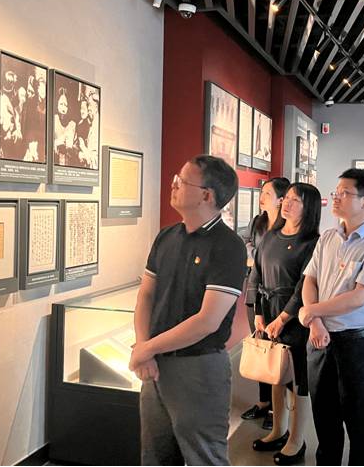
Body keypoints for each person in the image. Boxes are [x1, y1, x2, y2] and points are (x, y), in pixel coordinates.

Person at [128, 155, 247, 465]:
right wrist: (144, 347)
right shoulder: (166, 236)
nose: (174, 185)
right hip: (156, 364)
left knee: (203, 456)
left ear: (206, 195)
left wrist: (146, 349)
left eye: (182, 181)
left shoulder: (228, 246)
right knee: (155, 455)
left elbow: (207, 321)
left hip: (198, 369)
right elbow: (146, 295)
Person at [298, 168, 364, 465]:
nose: (336, 198)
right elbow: (310, 280)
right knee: (324, 418)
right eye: (336, 192)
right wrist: (315, 321)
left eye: (344, 193)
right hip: (319, 338)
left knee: (359, 420)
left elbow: (359, 297)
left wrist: (311, 312)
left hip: (357, 343)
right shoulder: (329, 237)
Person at [248, 183, 321, 465]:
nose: (287, 204)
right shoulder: (271, 236)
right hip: (268, 313)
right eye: (286, 198)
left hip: (294, 317)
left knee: (297, 379)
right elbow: (257, 273)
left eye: (295, 201)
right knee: (275, 373)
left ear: (308, 207)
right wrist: (258, 312)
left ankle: (296, 440)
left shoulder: (311, 243)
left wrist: (282, 318)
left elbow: (304, 285)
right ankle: (278, 430)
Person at [240, 177, 290, 430]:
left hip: (277, 296)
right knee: (260, 346)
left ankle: (277, 408)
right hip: (254, 291)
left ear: (281, 200)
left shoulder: (288, 227)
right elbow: (245, 244)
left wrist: (258, 257)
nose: (262, 197)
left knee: (278, 351)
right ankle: (263, 401)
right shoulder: (257, 222)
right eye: (262, 192)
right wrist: (257, 256)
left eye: (267, 193)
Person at [53, 89, 77, 166]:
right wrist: (56, 143)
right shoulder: (53, 120)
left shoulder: (72, 124)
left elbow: (76, 146)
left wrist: (70, 147)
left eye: (65, 105)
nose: (63, 108)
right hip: (55, 161)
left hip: (68, 163)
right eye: (61, 104)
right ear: (57, 105)